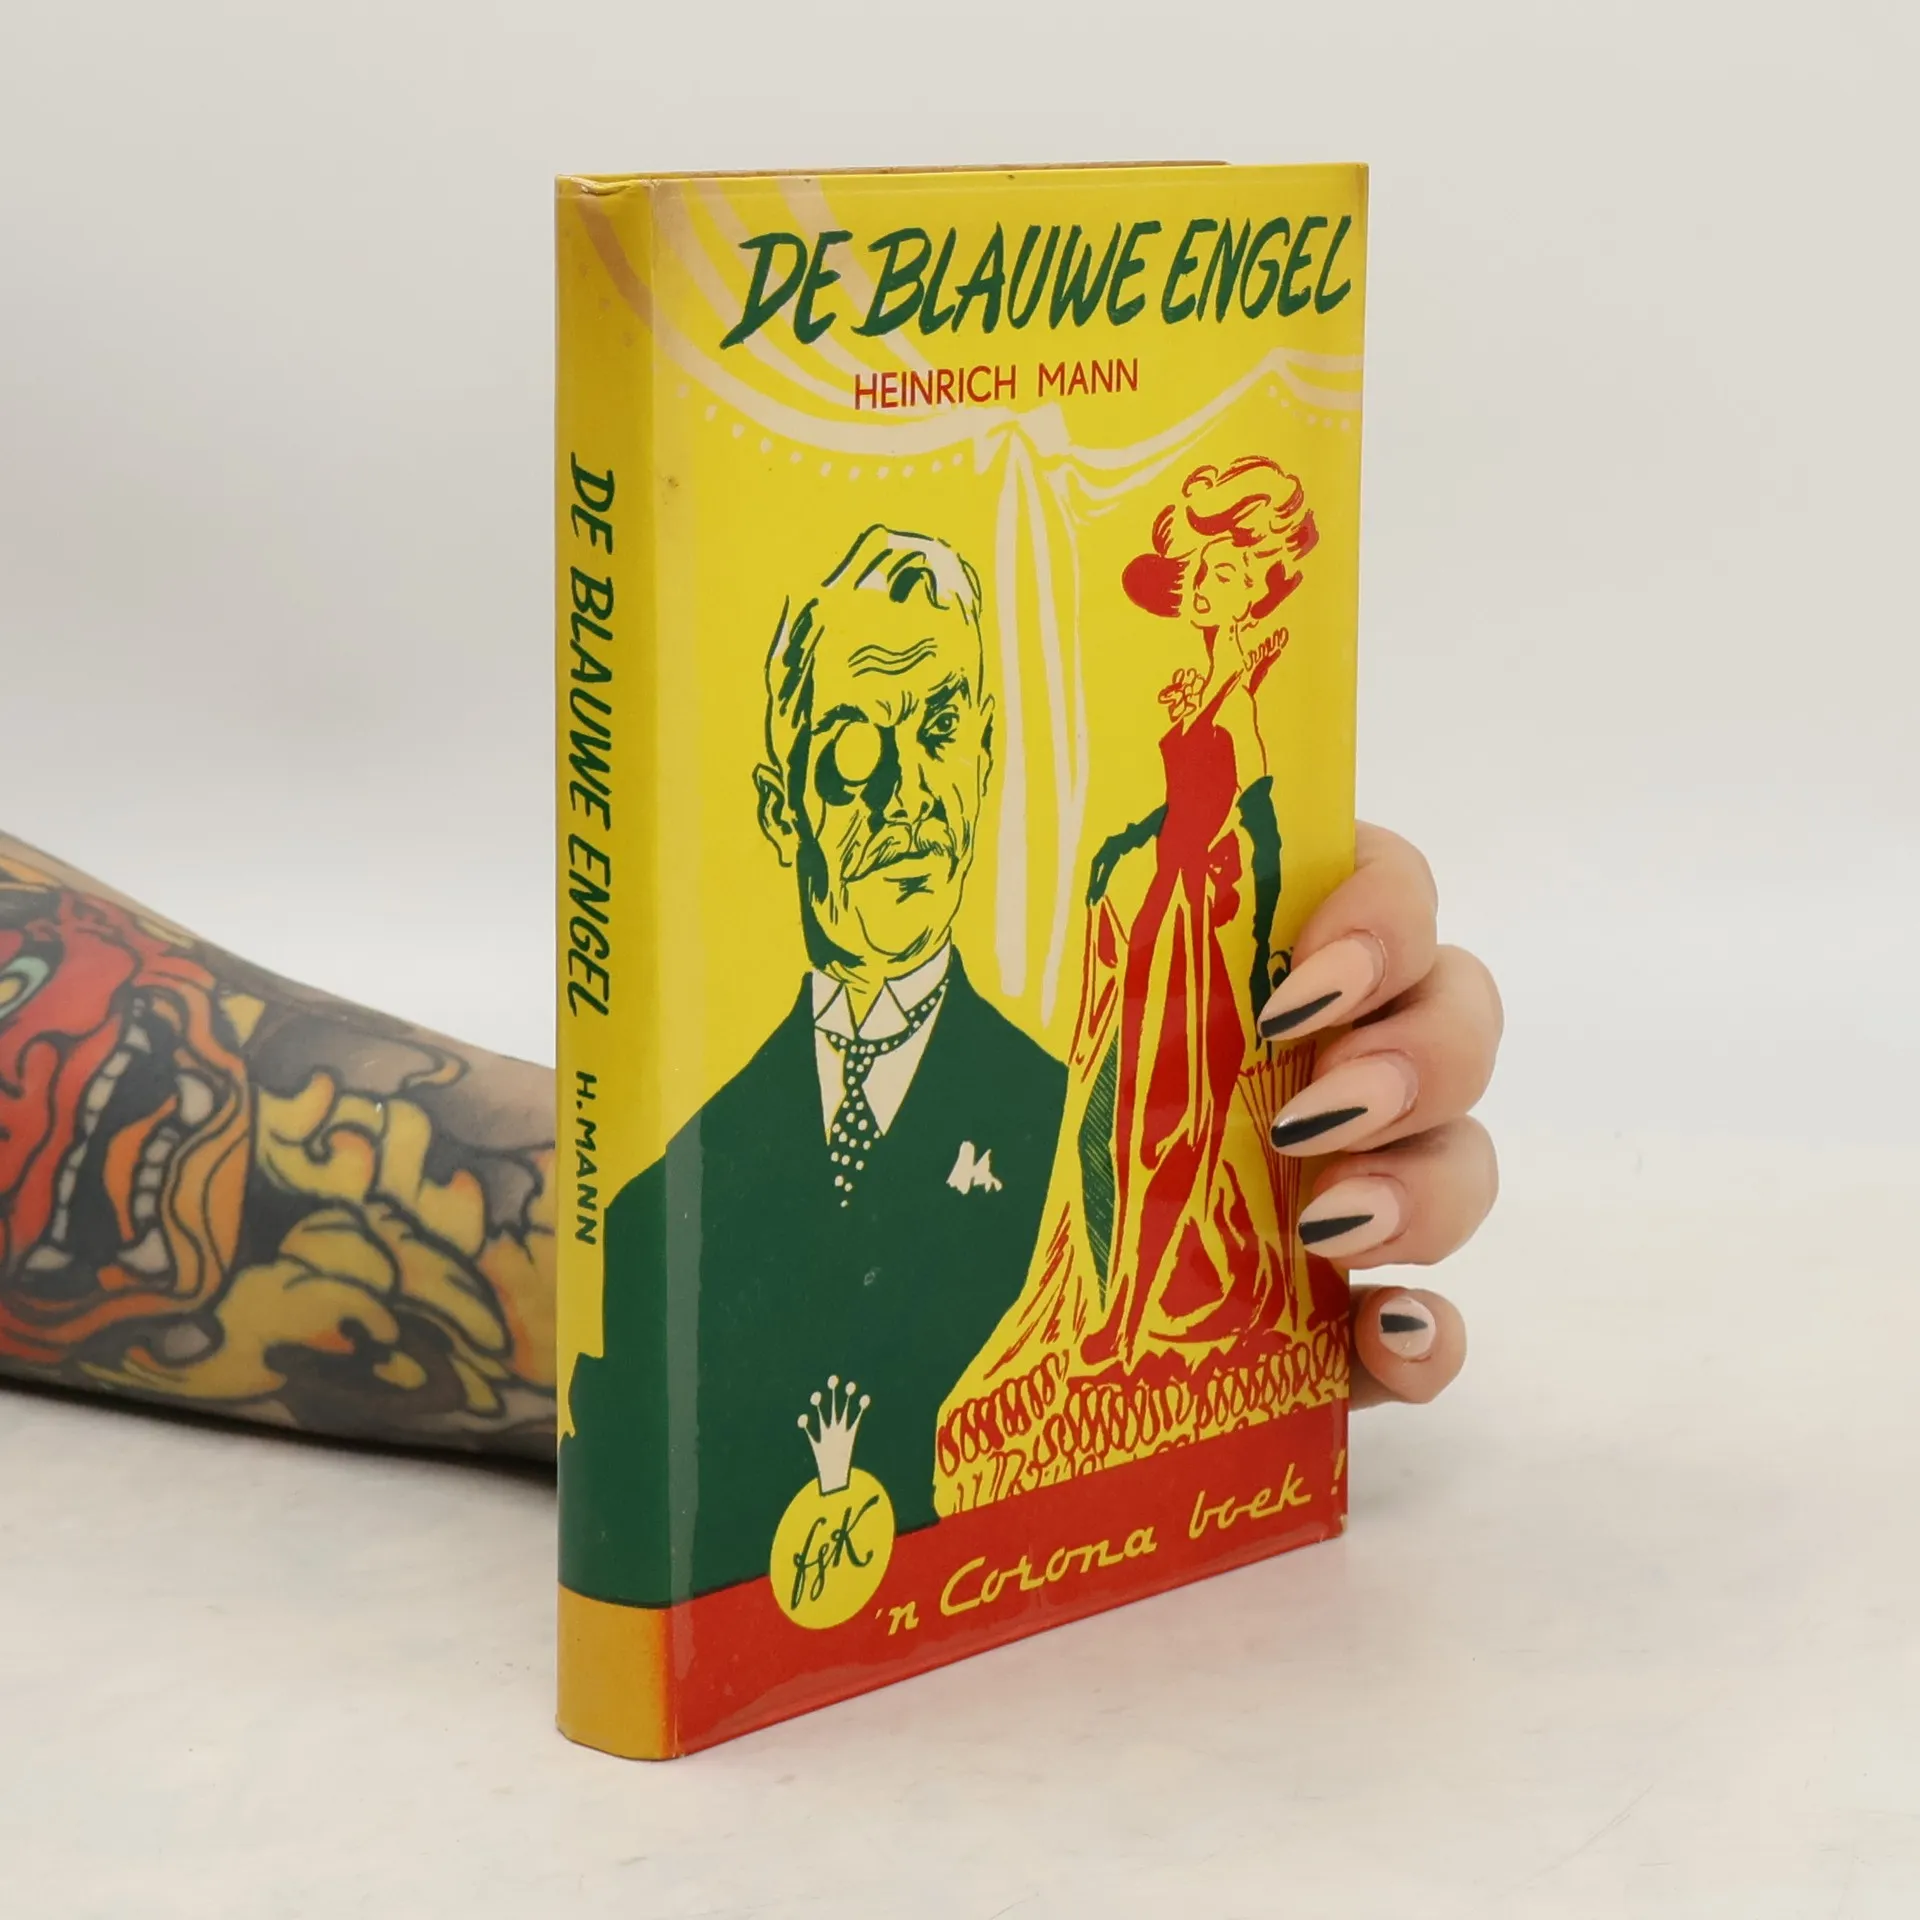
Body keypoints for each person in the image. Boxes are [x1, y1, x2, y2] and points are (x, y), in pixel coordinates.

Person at [561, 528, 1071, 1606]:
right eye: (851, 750)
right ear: (778, 803)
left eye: (941, 731)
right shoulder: (658, 1209)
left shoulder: (1072, 1126)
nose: (906, 794)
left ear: (985, 759)